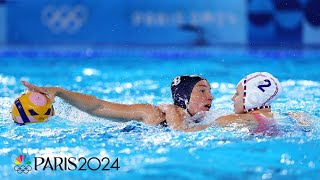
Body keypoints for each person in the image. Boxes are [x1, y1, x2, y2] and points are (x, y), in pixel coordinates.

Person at [20, 75, 213, 131]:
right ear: (184, 95)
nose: (210, 97)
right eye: (202, 91)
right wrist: (60, 92)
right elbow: (98, 107)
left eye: (210, 91)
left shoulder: (208, 119)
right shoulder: (155, 114)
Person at [161, 72, 283, 133]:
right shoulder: (284, 116)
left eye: (238, 93)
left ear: (252, 97)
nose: (233, 98)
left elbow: (182, 131)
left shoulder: (230, 120)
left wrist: (170, 109)